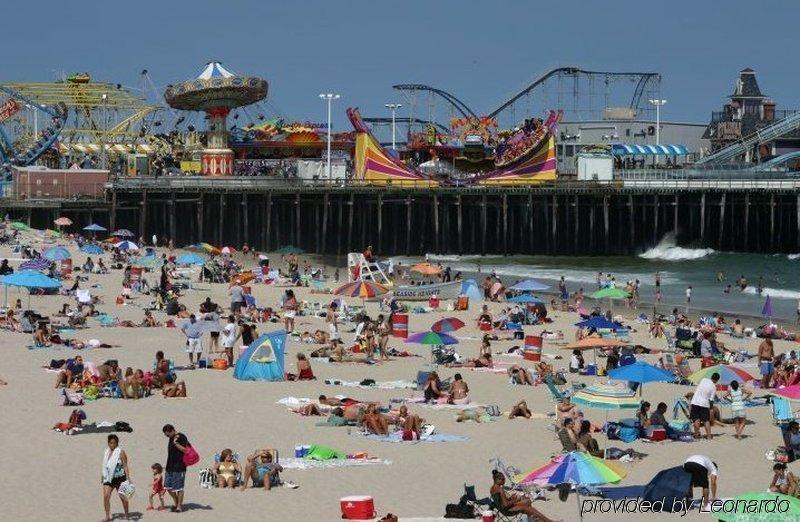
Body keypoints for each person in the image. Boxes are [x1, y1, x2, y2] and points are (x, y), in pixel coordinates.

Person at [490, 470, 558, 522]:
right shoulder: (500, 489)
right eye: (503, 479)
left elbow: (500, 501)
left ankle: (532, 519)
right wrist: (517, 499)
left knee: (527, 501)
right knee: (528, 508)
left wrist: (510, 498)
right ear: (497, 480)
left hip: (502, 509)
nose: (504, 481)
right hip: (507, 511)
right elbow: (505, 505)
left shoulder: (492, 488)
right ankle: (548, 521)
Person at [101, 434, 131, 522]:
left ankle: (126, 515)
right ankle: (107, 516)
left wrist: (128, 478)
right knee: (106, 496)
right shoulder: (106, 452)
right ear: (108, 443)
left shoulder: (121, 452)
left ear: (117, 443)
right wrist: (103, 477)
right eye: (111, 443)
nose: (113, 445)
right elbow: (104, 465)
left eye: (114, 443)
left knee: (123, 497)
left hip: (120, 478)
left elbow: (125, 465)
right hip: (108, 478)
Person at [162, 424, 190, 512]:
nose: (166, 436)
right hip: (169, 466)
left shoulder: (181, 437)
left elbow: (185, 450)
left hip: (179, 467)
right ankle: (177, 502)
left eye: (167, 434)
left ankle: (179, 506)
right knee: (168, 486)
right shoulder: (171, 438)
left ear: (172, 430)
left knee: (179, 488)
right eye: (165, 435)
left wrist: (176, 443)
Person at [690, 372, 720, 440]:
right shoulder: (713, 387)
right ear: (717, 380)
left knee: (696, 419)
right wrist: (711, 408)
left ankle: (697, 436)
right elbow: (711, 400)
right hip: (704, 404)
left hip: (695, 401)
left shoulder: (703, 379)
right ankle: (709, 436)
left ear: (711, 376)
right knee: (706, 420)